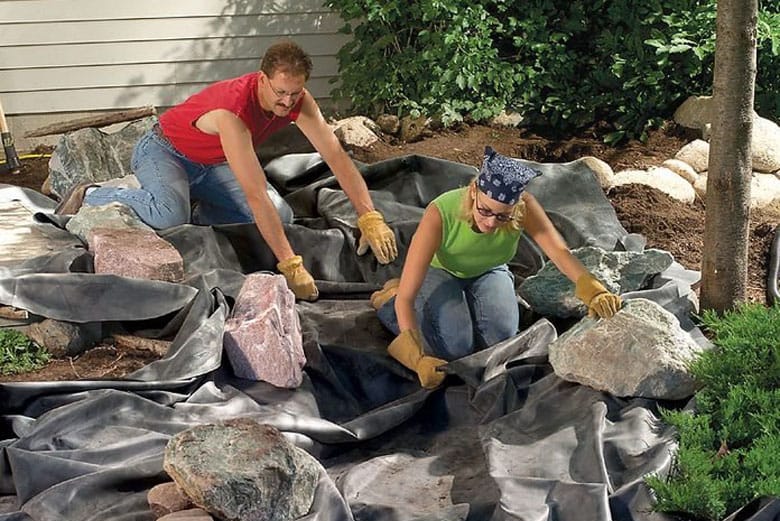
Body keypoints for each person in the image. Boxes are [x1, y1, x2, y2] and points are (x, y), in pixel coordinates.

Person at [65, 40, 397, 301]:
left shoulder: (298, 100)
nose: (287, 102)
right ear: (262, 79)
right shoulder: (233, 111)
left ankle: (192, 201)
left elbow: (336, 157)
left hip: (213, 163)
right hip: (165, 151)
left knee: (281, 217)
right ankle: (95, 192)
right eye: (280, 92)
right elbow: (254, 194)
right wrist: (290, 264)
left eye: (295, 93)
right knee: (170, 217)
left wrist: (369, 217)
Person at [371, 146, 622, 389]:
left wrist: (591, 288)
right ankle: (386, 301)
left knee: (501, 338)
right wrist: (416, 358)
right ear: (473, 192)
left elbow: (558, 251)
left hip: (489, 270)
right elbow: (407, 297)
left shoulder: (525, 208)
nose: (491, 223)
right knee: (456, 347)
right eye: (485, 210)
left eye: (503, 216)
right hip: (439, 271)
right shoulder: (440, 212)